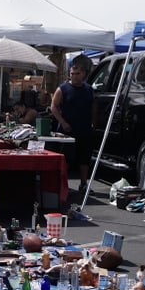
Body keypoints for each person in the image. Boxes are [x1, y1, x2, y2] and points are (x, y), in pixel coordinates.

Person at [50, 56, 95, 191]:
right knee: (66, 158)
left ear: (84, 74)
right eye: (72, 74)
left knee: (84, 158)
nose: (74, 76)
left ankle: (83, 184)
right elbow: (53, 107)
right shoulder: (63, 89)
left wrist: (94, 122)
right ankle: (63, 184)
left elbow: (93, 107)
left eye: (77, 74)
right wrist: (63, 122)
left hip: (84, 128)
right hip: (66, 129)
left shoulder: (88, 89)